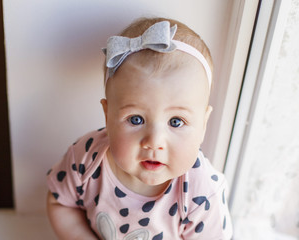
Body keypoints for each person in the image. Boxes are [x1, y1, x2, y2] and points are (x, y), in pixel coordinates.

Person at [46, 17, 233, 240]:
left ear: (203, 124)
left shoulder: (201, 193)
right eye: (136, 119)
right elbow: (60, 202)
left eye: (176, 121)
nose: (154, 141)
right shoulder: (86, 157)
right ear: (108, 115)